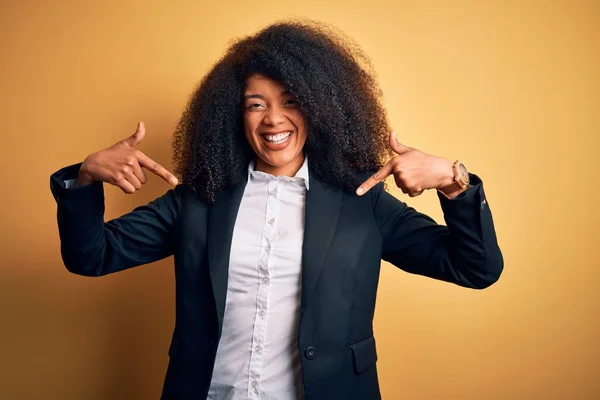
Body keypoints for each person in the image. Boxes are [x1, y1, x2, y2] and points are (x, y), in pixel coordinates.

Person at [50, 20, 503, 400]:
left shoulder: (362, 200)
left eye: (291, 102)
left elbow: (476, 267)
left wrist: (454, 181)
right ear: (234, 115)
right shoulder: (199, 199)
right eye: (256, 104)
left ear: (321, 109)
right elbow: (92, 256)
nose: (273, 119)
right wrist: (85, 178)